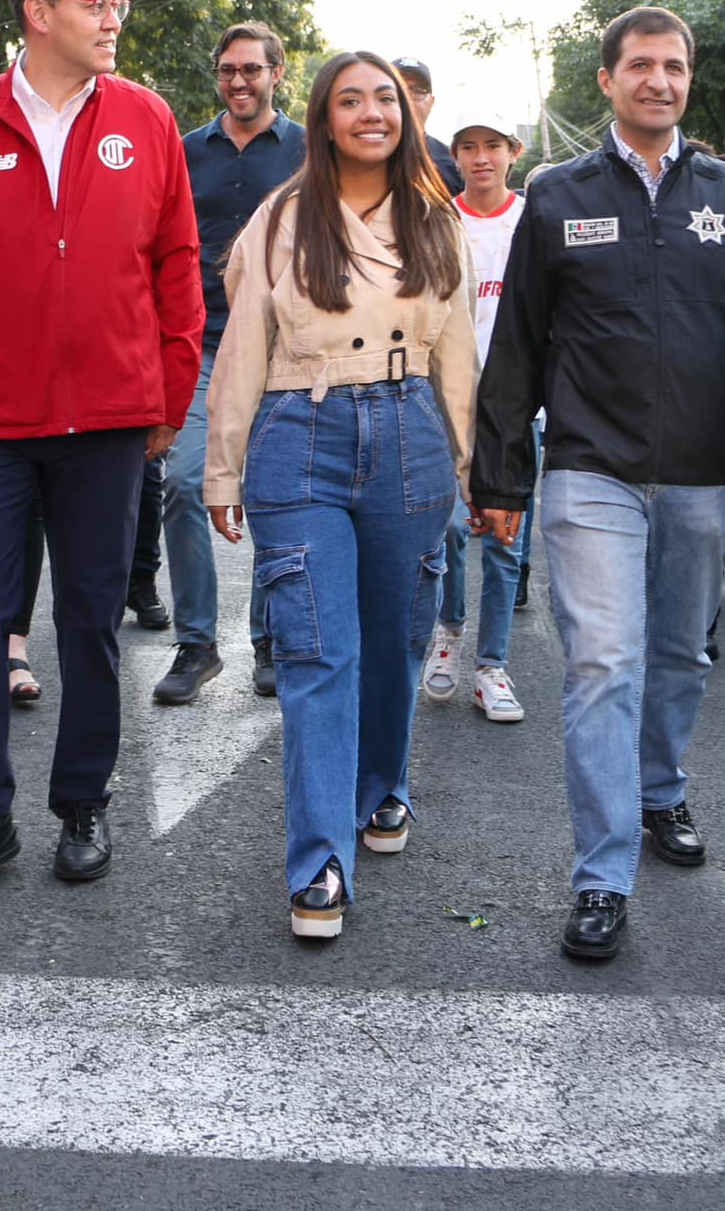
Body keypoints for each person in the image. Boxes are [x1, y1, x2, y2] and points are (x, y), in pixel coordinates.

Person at [474, 7, 725, 961]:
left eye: (673, 67)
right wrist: (500, 472)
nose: (658, 81)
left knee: (679, 656)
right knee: (600, 664)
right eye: (640, 67)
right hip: (590, 470)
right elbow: (519, 348)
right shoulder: (557, 197)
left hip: (704, 475)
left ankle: (660, 790)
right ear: (608, 81)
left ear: (686, 81)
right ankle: (601, 874)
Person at [0, 0, 203, 900]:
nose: (114, 19)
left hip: (110, 421)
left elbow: (177, 268)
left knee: (91, 621)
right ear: (39, 13)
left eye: (116, 4)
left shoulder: (147, 121)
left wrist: (170, 392)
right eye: (95, 4)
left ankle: (83, 806)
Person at [204, 50, 477, 940]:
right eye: (349, 100)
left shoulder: (438, 216)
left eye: (384, 99)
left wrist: (475, 471)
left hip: (410, 432)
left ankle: (383, 790)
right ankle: (320, 858)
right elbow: (242, 344)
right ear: (321, 119)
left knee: (399, 635)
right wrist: (224, 465)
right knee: (318, 650)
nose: (370, 112)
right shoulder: (283, 216)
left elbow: (460, 359)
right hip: (300, 432)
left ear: (407, 114)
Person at [153, 21, 308, 704]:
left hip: (284, 351)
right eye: (227, 71)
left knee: (274, 496)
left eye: (251, 70)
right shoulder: (185, 151)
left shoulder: (311, 150)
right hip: (200, 345)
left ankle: (268, 640)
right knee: (185, 485)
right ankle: (196, 644)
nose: (238, 82)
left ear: (278, 73)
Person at [421, 111, 532, 722]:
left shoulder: (532, 219)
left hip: (516, 407)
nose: (480, 157)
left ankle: (493, 666)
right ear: (455, 155)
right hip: (448, 402)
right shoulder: (439, 222)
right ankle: (449, 633)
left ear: (513, 151)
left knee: (507, 541)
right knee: (453, 531)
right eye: (468, 146)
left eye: (493, 145)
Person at [392, 57, 465, 197]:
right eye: (399, 89)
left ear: (431, 102)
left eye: (418, 90)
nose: (408, 98)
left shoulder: (453, 163)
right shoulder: (365, 158)